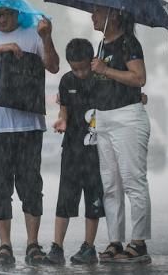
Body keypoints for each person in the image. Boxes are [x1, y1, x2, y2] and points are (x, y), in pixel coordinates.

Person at [0, 0, 60, 267]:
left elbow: (53, 66)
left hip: (28, 125)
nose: (0, 20)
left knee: (31, 185)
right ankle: (4, 245)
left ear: (17, 12)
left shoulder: (34, 34)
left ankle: (33, 244)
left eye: (6, 14)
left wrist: (47, 36)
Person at [89, 5, 152, 264]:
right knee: (110, 185)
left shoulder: (128, 43)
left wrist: (106, 71)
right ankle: (115, 241)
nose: (92, 16)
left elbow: (139, 78)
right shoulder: (102, 44)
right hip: (104, 118)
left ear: (113, 16)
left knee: (132, 181)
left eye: (97, 12)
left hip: (127, 119)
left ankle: (138, 243)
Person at [46, 38, 105, 265]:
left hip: (96, 151)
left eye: (83, 67)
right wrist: (62, 121)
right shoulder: (66, 81)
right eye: (74, 68)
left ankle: (89, 247)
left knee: (94, 199)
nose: (79, 73)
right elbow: (64, 110)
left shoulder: (101, 80)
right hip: (71, 149)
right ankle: (57, 247)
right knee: (65, 198)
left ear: (92, 61)